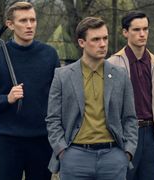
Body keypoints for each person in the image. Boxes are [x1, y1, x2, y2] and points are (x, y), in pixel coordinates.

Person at [0, 2, 60, 180]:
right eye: (23, 21)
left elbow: (58, 98)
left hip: (41, 141)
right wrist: (7, 98)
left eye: (33, 20)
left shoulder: (49, 54)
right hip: (7, 142)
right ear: (10, 24)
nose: (29, 25)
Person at [45, 17, 138, 180]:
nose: (103, 44)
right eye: (96, 39)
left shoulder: (120, 75)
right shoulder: (62, 76)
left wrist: (127, 152)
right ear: (82, 42)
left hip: (113, 158)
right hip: (75, 157)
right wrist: (62, 151)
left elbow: (130, 117)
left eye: (105, 38)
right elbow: (53, 119)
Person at [108, 11, 154, 180]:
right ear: (125, 32)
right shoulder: (111, 65)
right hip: (125, 134)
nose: (142, 34)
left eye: (145, 29)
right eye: (137, 29)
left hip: (151, 135)